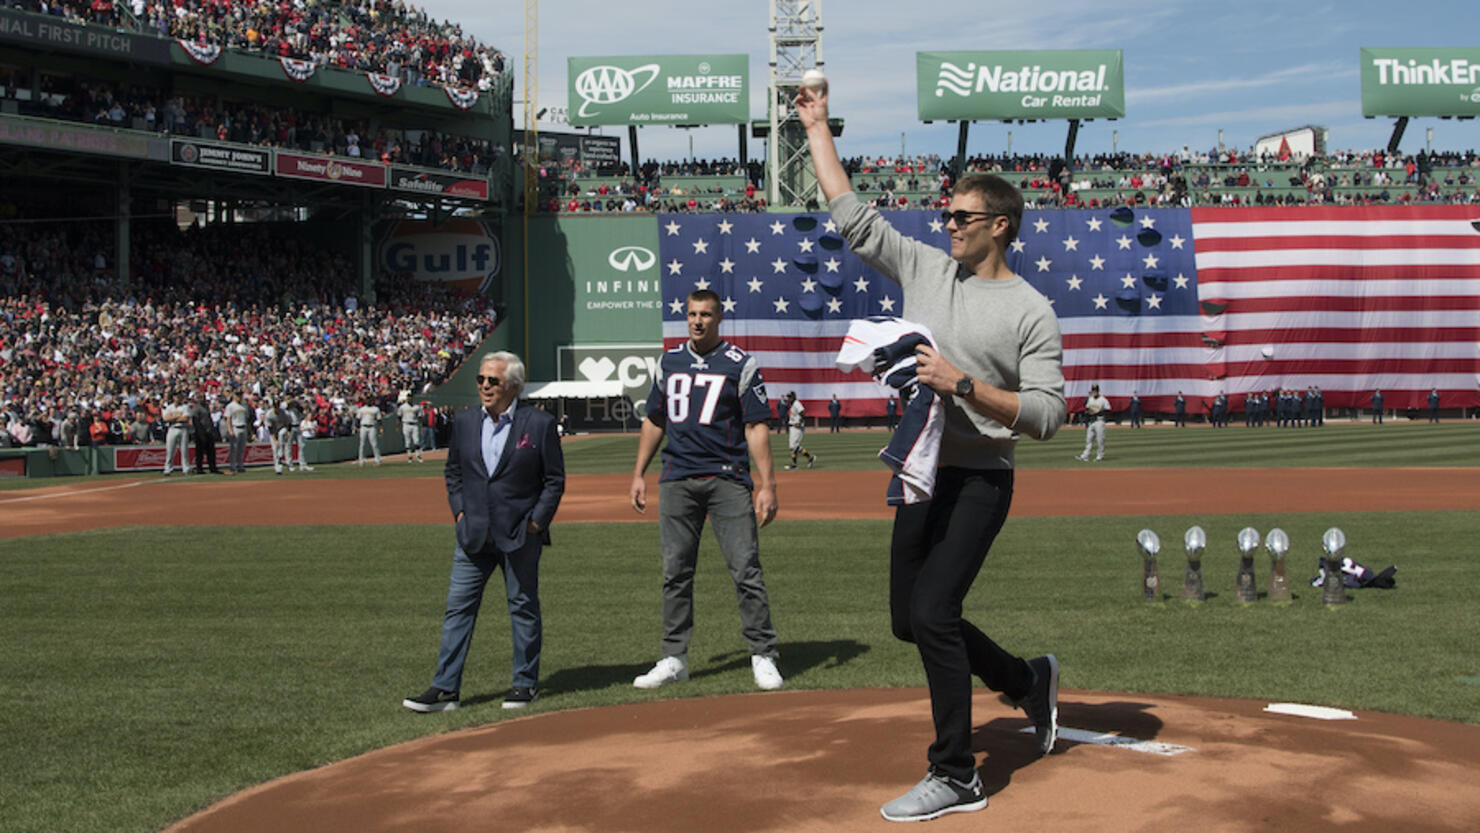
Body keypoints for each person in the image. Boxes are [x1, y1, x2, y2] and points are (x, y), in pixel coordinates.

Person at [800, 82, 1065, 822]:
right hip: (922, 473)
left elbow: (1047, 413)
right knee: (908, 618)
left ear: (1001, 227)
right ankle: (1026, 678)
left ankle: (956, 773)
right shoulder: (926, 267)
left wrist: (965, 384)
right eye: (946, 214)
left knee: (935, 608)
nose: (946, 223)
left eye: (961, 216)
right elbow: (852, 217)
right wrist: (818, 127)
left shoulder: (1030, 310)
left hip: (982, 480)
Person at [628, 289, 784, 693]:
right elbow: (655, 419)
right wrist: (638, 472)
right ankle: (674, 658)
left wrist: (767, 484)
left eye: (706, 315)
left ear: (719, 318)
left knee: (745, 569)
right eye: (692, 314)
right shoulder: (669, 361)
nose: (698, 321)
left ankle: (763, 653)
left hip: (727, 478)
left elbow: (755, 425)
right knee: (675, 572)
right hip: (677, 477)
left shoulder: (740, 364)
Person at [403, 351, 566, 713]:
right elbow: (454, 473)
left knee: (523, 607)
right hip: (473, 534)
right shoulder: (464, 423)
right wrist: (460, 512)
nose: (485, 386)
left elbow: (554, 480)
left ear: (514, 386)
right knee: (457, 609)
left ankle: (525, 684)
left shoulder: (537, 424)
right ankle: (445, 689)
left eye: (493, 381)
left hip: (519, 534)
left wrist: (537, 521)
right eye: (481, 380)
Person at [189, 394, 222, 474]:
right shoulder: (196, 408)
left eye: (203, 397)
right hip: (200, 432)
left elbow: (209, 418)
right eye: (200, 398)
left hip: (208, 431)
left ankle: (212, 467)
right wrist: (200, 432)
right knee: (199, 452)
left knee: (211, 451)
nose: (202, 399)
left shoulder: (206, 406)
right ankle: (199, 468)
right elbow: (195, 421)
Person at [1076, 384, 1109, 461]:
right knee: (1088, 439)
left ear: (1098, 391)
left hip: (1099, 421)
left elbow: (1108, 410)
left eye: (1096, 390)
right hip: (1092, 421)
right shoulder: (1090, 399)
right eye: (1093, 390)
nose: (1094, 391)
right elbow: (1087, 408)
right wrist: (1087, 412)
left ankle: (1100, 456)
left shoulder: (1103, 400)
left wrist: (1096, 413)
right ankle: (1085, 456)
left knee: (1100, 440)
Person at [785, 391, 817, 470]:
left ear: (793, 397)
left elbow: (802, 412)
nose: (788, 399)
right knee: (793, 446)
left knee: (793, 446)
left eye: (790, 397)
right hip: (793, 427)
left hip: (797, 427)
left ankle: (795, 463)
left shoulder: (796, 403)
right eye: (788, 397)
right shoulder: (792, 405)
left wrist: (800, 422)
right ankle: (809, 458)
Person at [223, 391, 252, 474]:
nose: (239, 397)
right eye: (237, 395)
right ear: (234, 396)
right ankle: (232, 466)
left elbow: (247, 420)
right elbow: (228, 419)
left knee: (241, 449)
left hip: (244, 426)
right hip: (235, 427)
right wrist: (230, 430)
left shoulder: (244, 406)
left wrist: (250, 432)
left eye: (240, 395)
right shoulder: (230, 406)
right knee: (234, 448)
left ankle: (240, 465)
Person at [162, 392, 191, 475]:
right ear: (173, 397)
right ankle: (168, 468)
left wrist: (173, 417)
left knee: (184, 450)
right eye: (176, 396)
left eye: (179, 396)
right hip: (172, 428)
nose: (178, 398)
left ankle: (186, 469)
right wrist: (178, 416)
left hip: (183, 428)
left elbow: (185, 418)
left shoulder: (185, 407)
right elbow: (166, 418)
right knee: (170, 450)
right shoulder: (169, 407)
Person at [356, 399, 383, 466]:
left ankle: (378, 460)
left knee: (374, 444)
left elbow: (379, 420)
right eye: (367, 400)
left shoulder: (376, 409)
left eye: (370, 400)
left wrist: (381, 429)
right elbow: (357, 419)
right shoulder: (362, 409)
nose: (368, 401)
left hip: (372, 426)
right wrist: (357, 427)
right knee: (362, 444)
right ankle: (361, 461)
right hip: (363, 427)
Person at [397, 394, 424, 462]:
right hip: (406, 424)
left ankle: (418, 455)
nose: (409, 399)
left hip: (414, 424)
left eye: (410, 398)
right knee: (408, 441)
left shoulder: (417, 407)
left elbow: (420, 417)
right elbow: (399, 417)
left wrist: (421, 426)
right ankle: (409, 456)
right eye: (408, 398)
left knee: (416, 441)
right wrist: (397, 426)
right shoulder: (403, 407)